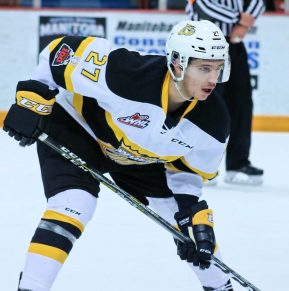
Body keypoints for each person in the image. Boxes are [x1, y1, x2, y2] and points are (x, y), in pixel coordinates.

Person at [4, 20, 233, 291]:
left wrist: (188, 211)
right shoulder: (126, 73)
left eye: (218, 68)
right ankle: (31, 287)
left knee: (190, 227)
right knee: (75, 202)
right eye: (204, 68)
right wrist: (33, 98)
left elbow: (188, 173)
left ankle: (220, 286)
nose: (213, 79)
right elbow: (60, 52)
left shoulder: (214, 123)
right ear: (177, 63)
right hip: (79, 129)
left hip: (140, 157)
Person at [186, 0, 265, 185]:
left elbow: (257, 2)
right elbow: (202, 6)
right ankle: (197, 164)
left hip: (233, 45)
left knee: (242, 103)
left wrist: (244, 23)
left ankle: (237, 164)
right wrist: (240, 19)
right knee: (204, 103)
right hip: (202, 45)